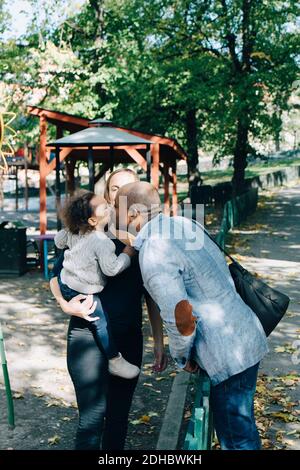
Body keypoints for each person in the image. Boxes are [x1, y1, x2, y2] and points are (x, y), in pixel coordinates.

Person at [114, 181, 269, 450]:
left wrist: (182, 356)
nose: (113, 216)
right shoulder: (185, 224)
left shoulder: (153, 251)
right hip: (243, 334)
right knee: (242, 430)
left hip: (225, 352)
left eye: (116, 209)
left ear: (132, 214)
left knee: (237, 439)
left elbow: (180, 318)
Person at [50, 169, 167, 450]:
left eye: (130, 188)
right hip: (86, 336)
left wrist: (159, 341)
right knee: (91, 418)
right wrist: (66, 305)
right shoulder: (86, 232)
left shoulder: (145, 239)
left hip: (127, 338)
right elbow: (56, 277)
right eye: (116, 189)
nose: (123, 194)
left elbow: (151, 293)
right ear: (107, 196)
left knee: (118, 418)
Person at [54, 190, 140, 379]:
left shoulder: (73, 231)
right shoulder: (101, 241)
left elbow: (58, 241)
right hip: (83, 289)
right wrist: (128, 253)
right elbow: (111, 269)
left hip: (65, 281)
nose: (109, 207)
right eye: (105, 207)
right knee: (101, 322)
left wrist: (69, 232)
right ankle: (114, 359)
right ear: (93, 221)